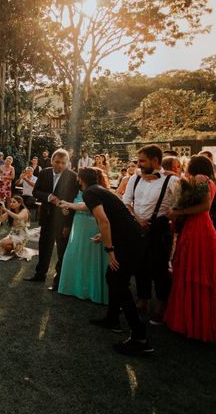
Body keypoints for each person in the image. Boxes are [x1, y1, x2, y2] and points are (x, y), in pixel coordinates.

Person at [78, 168, 152, 355]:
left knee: (118, 282)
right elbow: (115, 218)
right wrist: (103, 236)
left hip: (129, 242)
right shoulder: (101, 190)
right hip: (134, 238)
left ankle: (140, 338)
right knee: (112, 278)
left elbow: (103, 220)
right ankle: (112, 319)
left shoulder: (89, 192)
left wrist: (109, 250)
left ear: (80, 180)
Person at [122, 144, 177, 324]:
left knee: (159, 267)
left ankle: (161, 304)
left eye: (142, 161)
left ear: (155, 161)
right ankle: (143, 299)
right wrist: (137, 220)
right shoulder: (134, 179)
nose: (139, 164)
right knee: (140, 265)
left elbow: (178, 206)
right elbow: (126, 203)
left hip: (160, 229)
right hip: (137, 226)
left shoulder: (171, 181)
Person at [165, 155, 216, 342]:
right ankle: (197, 320)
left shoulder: (201, 179)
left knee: (193, 273)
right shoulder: (210, 180)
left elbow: (205, 206)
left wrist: (179, 211)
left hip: (198, 229)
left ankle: (190, 322)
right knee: (198, 273)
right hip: (200, 228)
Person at [24, 149, 78, 289]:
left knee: (62, 250)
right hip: (47, 217)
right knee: (44, 246)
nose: (60, 165)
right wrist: (48, 197)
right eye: (57, 162)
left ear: (67, 163)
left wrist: (67, 224)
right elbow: (36, 192)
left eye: (63, 163)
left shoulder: (73, 177)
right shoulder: (44, 172)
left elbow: (73, 200)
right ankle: (40, 274)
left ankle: (58, 280)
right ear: (52, 161)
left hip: (63, 220)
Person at [57, 168, 109, 304]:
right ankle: (75, 288)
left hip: (92, 226)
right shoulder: (80, 192)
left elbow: (84, 206)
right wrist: (66, 209)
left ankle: (91, 291)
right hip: (78, 226)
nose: (78, 180)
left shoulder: (99, 193)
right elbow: (74, 208)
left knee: (91, 256)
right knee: (76, 254)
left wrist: (69, 204)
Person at [0, 196, 31, 261]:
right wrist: (1, 209)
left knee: (2, 243)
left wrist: (6, 209)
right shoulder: (10, 212)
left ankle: (19, 246)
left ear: (20, 203)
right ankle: (18, 247)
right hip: (13, 233)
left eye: (14, 202)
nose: (11, 203)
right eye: (11, 202)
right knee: (4, 246)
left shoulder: (24, 211)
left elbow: (18, 217)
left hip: (22, 235)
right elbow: (1, 220)